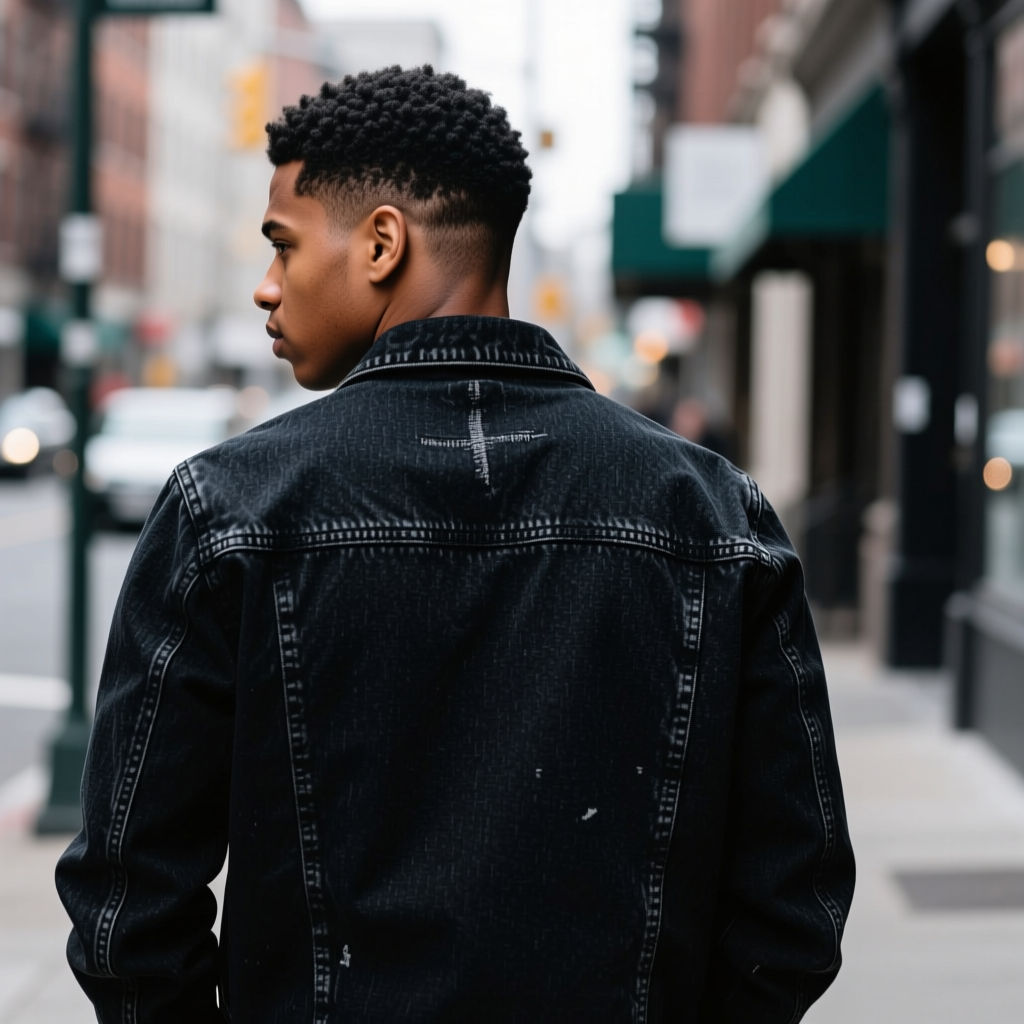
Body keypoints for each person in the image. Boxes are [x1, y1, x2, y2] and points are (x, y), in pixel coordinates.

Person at [56, 66, 854, 1023]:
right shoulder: (714, 516)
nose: (268, 289)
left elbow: (126, 912)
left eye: (282, 245)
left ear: (383, 243)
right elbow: (795, 906)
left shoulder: (227, 510)